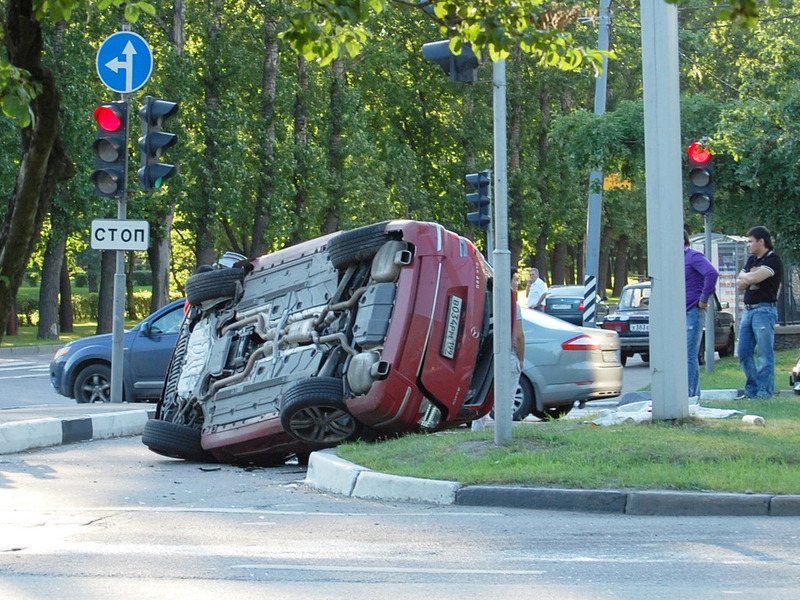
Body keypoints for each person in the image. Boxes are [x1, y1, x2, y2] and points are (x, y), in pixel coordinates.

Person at [472, 268, 526, 431]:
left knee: (485, 396)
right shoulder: (513, 305)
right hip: (508, 355)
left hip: (488, 356)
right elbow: (518, 336)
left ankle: (477, 430)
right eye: (516, 279)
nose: (518, 283)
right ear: (507, 281)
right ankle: (504, 432)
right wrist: (521, 359)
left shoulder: (487, 301)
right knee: (507, 399)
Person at [736, 225, 783, 399]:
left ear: (761, 241)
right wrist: (749, 276)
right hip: (748, 311)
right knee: (743, 352)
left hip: (764, 311)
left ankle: (764, 392)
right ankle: (752, 390)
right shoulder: (752, 260)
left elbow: (754, 278)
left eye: (750, 241)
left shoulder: (773, 260)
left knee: (764, 354)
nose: (748, 245)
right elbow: (739, 283)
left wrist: (749, 277)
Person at [684, 229, 719, 399]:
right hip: (679, 312)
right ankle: (691, 395)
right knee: (683, 355)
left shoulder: (693, 256)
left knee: (689, 355)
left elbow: (712, 273)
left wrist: (703, 299)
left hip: (692, 310)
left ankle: (689, 396)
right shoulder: (674, 259)